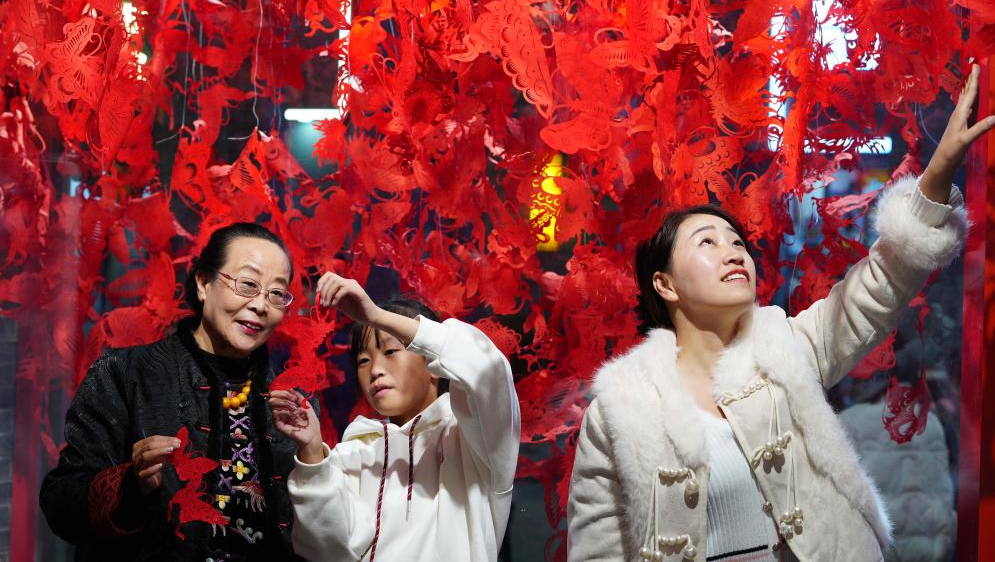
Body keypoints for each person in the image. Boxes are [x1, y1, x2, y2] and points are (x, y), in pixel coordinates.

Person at [567, 64, 994, 562]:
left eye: (737, 243)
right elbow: (598, 550)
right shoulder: (621, 409)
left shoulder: (784, 347)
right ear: (665, 284)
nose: (734, 253)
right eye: (707, 242)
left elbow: (882, 283)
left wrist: (938, 172)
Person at [40, 222, 304, 561]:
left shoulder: (292, 399)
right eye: (248, 284)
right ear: (204, 283)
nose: (261, 305)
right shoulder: (125, 374)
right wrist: (130, 484)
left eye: (276, 293)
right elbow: (60, 501)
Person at [269, 274, 521, 562]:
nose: (375, 369)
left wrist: (375, 316)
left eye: (390, 351)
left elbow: (488, 369)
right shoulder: (352, 453)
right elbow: (327, 550)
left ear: (431, 359)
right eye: (363, 360)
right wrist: (313, 451)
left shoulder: (472, 442)